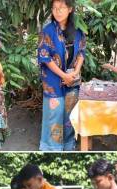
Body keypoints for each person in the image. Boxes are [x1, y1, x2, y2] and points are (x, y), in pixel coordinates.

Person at [37, 0, 86, 151]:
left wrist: (76, 72)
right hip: (53, 81)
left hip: (72, 80)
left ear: (70, 9)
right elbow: (44, 57)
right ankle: (52, 148)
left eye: (61, 8)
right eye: (54, 8)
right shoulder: (48, 31)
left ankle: (68, 145)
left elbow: (81, 52)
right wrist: (63, 75)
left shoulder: (78, 31)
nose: (57, 11)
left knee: (69, 115)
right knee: (55, 115)